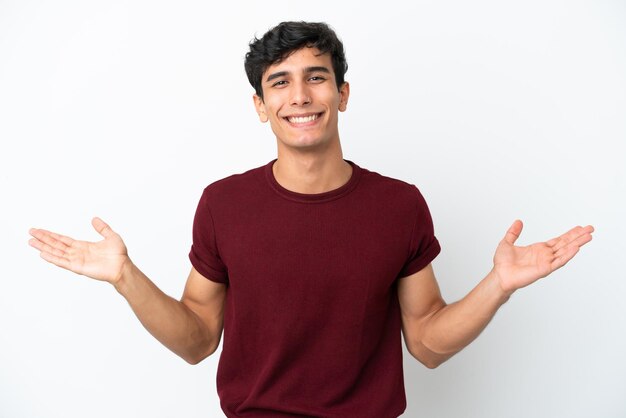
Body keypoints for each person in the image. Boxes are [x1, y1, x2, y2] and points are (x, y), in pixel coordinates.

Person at [28, 21, 594, 418]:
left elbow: (425, 340)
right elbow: (198, 339)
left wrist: (499, 285)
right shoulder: (223, 204)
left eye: (316, 77)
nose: (300, 96)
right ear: (260, 105)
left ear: (342, 93)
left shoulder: (399, 205)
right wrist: (127, 278)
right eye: (280, 81)